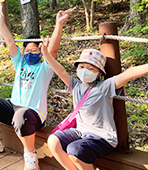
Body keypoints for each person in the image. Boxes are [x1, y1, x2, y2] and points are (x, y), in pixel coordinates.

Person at [0, 8, 76, 170]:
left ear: (41, 53)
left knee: (22, 115)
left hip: (33, 113)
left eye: (34, 50)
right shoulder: (20, 63)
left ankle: (30, 154)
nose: (30, 53)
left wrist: (59, 23)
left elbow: (53, 49)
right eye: (27, 50)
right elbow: (10, 43)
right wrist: (1, 23)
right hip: (13, 107)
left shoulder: (45, 68)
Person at [41, 40, 148, 170]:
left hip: (102, 137)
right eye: (81, 67)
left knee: (74, 151)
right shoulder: (75, 85)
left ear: (99, 73)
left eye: (91, 68)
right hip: (80, 132)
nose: (85, 71)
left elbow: (128, 74)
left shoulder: (104, 87)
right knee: (53, 141)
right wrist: (46, 54)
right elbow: (61, 71)